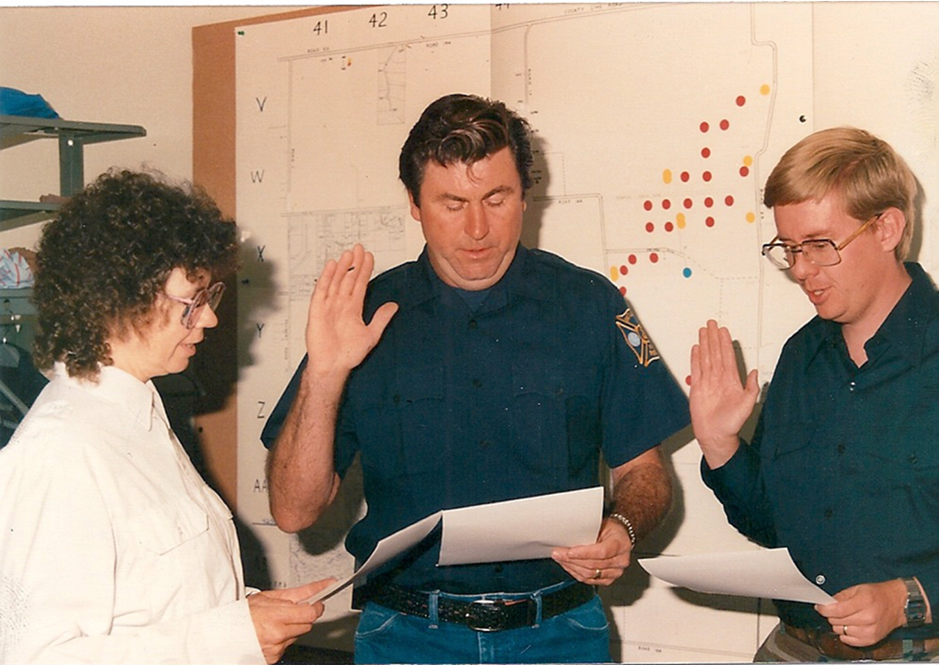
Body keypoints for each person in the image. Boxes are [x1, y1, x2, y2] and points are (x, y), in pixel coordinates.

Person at [262, 93, 690, 663]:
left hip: (560, 631)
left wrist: (622, 528)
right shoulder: (364, 315)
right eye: (452, 203)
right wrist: (325, 371)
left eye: (497, 197)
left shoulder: (589, 304)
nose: (478, 229)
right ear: (414, 203)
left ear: (524, 195)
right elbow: (294, 511)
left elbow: (644, 471)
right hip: (408, 637)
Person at [0, 169, 333, 665]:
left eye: (209, 297)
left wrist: (247, 613)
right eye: (192, 302)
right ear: (118, 297)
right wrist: (233, 636)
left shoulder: (141, 413)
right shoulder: (60, 450)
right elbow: (35, 657)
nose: (211, 318)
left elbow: (159, 601)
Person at [690, 127, 939, 661]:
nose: (801, 271)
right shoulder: (800, 357)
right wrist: (720, 445)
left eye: (821, 245)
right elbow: (772, 525)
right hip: (792, 647)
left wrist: (907, 599)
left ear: (887, 227)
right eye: (789, 248)